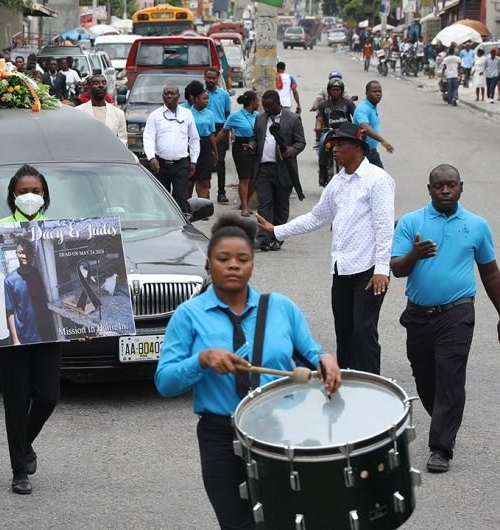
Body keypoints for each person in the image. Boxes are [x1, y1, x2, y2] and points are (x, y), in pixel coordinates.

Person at [155, 214, 341, 530]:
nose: (233, 266)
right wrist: (201, 360)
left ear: (253, 264)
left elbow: (314, 355)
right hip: (220, 436)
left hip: (281, 431)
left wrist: (327, 360)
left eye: (243, 259)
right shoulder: (188, 315)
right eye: (223, 258)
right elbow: (165, 382)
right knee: (238, 524)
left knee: (284, 522)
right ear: (209, 263)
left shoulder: (281, 308)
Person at [257, 122, 394, 374]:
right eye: (333, 144)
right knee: (344, 332)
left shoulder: (378, 180)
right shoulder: (338, 182)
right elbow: (316, 217)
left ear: (357, 148)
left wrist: (382, 269)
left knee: (363, 332)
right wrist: (277, 230)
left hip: (369, 270)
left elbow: (385, 228)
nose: (333, 149)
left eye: (341, 144)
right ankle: (346, 386)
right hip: (341, 270)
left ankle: (373, 392)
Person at [391, 164, 500, 474]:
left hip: (458, 313)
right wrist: (414, 255)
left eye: (451, 185)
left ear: (461, 187)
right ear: (429, 189)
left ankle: (441, 447)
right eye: (438, 186)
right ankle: (444, 420)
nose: (445, 191)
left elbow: (490, 273)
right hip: (418, 316)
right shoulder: (412, 222)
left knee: (451, 378)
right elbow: (397, 268)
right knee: (426, 380)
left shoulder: (477, 225)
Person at [0, 165, 61, 495]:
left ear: (44, 195)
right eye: (22, 192)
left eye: (35, 190)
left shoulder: (57, 231)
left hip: (48, 333)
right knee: (16, 401)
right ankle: (19, 470)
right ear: (12, 196)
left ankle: (25, 443)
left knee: (48, 396)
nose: (29, 196)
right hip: (15, 339)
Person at [251, 90, 305, 252]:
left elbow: (301, 142)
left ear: (278, 104)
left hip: (284, 169)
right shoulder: (260, 118)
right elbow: (254, 138)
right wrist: (252, 145)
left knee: (281, 206)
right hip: (263, 169)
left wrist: (291, 150)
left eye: (269, 107)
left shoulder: (293, 119)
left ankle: (277, 238)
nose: (266, 110)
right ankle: (263, 239)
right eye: (264, 107)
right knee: (264, 204)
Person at [143, 84, 199, 214]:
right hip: (160, 164)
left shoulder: (187, 114)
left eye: (172, 93)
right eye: (166, 93)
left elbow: (194, 138)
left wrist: (194, 161)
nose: (169, 96)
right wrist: (151, 158)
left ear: (178, 97)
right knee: (161, 199)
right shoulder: (155, 115)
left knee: (180, 198)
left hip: (181, 164)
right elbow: (148, 138)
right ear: (163, 96)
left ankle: (181, 228)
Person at [216, 91, 258, 216]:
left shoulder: (258, 115)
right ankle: (244, 206)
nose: (258, 103)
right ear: (251, 102)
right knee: (244, 178)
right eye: (256, 100)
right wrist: (214, 147)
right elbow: (224, 132)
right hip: (241, 147)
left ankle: (247, 202)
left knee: (254, 179)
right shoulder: (235, 116)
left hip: (255, 146)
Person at [181, 81, 218, 202]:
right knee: (189, 179)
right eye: (204, 99)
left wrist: (215, 152)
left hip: (205, 146)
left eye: (208, 99)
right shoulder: (186, 113)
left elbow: (212, 134)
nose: (207, 101)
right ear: (196, 99)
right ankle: (186, 206)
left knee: (204, 180)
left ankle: (203, 206)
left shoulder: (210, 114)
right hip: (189, 145)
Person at [315, 78, 356, 186]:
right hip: (330, 133)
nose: (335, 92)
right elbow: (319, 118)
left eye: (338, 90)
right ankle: (322, 172)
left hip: (346, 133)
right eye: (333, 89)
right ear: (329, 90)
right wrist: (318, 127)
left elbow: (357, 116)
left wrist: (360, 126)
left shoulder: (348, 103)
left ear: (341, 91)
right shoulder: (323, 105)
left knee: (358, 149)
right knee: (322, 145)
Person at [204, 69, 232, 205]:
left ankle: (221, 192)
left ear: (217, 79)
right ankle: (205, 192)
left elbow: (228, 114)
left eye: (213, 78)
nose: (210, 80)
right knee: (205, 162)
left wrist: (230, 131)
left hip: (220, 128)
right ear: (205, 78)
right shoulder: (201, 95)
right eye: (208, 78)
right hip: (204, 129)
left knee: (220, 161)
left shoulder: (224, 94)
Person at [75, 74, 127, 144]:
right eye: (96, 83)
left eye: (104, 83)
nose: (101, 85)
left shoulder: (118, 113)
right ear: (89, 88)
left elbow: (123, 141)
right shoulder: (78, 112)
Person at [353, 81, 394, 168]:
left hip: (370, 151)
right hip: (362, 153)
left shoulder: (371, 106)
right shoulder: (363, 108)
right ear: (366, 93)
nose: (377, 94)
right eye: (374, 91)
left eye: (379, 91)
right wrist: (382, 141)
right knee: (381, 179)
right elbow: (365, 126)